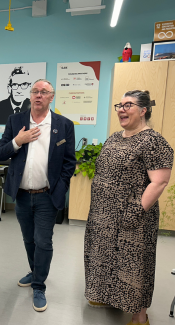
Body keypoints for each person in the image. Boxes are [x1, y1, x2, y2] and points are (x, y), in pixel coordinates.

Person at [84, 90, 174, 325]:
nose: (121, 109)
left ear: (143, 110)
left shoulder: (153, 140)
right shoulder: (114, 137)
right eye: (119, 105)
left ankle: (139, 316)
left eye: (128, 105)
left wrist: (135, 212)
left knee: (135, 264)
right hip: (103, 216)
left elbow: (160, 181)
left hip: (133, 217)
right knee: (105, 258)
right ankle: (107, 296)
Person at [0, 79, 76, 312]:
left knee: (43, 241)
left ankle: (39, 286)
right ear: (30, 96)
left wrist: (60, 186)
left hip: (47, 196)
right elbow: (0, 154)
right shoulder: (15, 121)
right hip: (21, 194)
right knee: (29, 239)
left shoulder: (63, 125)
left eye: (44, 92)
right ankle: (35, 271)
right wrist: (17, 141)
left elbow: (69, 162)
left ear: (52, 97)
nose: (38, 95)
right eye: (35, 91)